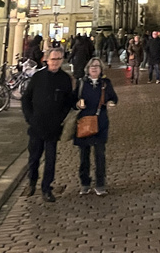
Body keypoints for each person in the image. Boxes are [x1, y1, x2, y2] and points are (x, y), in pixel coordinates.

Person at [21, 46, 76, 202]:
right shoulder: (38, 77)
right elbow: (26, 98)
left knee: (50, 159)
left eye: (59, 59)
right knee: (34, 157)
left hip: (53, 126)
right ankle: (32, 181)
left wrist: (62, 116)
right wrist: (29, 117)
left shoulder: (65, 79)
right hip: (36, 124)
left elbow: (68, 101)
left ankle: (46, 188)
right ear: (47, 59)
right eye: (53, 59)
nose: (56, 62)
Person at [74, 57, 118, 195]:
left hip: (100, 123)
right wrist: (77, 104)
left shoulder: (105, 83)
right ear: (87, 68)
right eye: (92, 66)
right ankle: (85, 183)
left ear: (101, 69)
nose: (94, 68)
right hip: (84, 123)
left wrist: (111, 102)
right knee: (84, 156)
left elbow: (114, 98)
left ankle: (100, 184)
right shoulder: (81, 83)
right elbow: (72, 100)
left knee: (100, 155)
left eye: (97, 66)